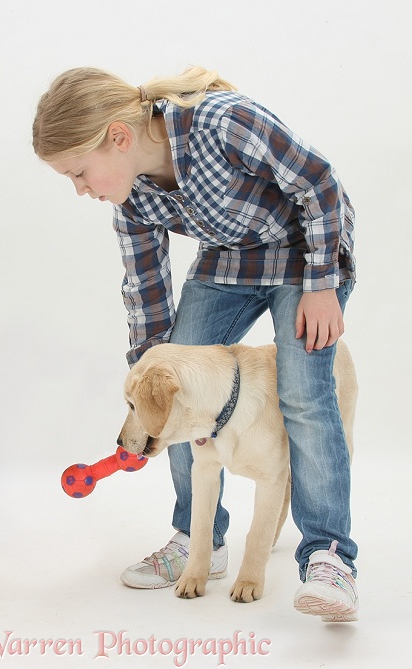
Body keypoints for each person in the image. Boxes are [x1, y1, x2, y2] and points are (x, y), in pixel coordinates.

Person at [33, 65, 359, 621]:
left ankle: (329, 556)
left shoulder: (223, 123)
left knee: (305, 394)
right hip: (229, 266)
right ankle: (196, 542)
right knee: (180, 395)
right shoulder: (130, 200)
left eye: (79, 173)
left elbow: (319, 184)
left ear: (119, 136)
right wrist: (147, 378)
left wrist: (323, 284)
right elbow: (147, 290)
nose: (81, 189)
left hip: (305, 258)